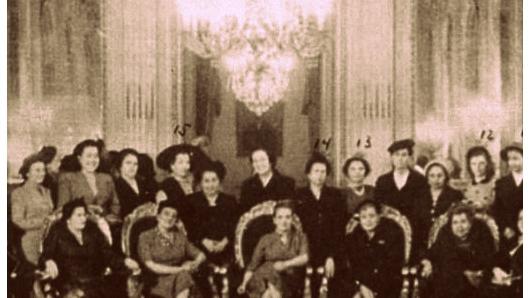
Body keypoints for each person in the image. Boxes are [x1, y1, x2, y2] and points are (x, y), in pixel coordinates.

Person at [40, 199, 140, 298]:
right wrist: (48, 261)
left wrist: (125, 261)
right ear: (68, 219)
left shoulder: (92, 229)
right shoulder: (58, 231)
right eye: (79, 215)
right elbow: (45, 254)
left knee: (118, 285)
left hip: (94, 279)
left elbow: (108, 254)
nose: (83, 219)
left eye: (84, 215)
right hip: (69, 281)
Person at [296, 152, 346, 297]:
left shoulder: (335, 195)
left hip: (330, 249)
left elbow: (339, 228)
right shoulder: (299, 195)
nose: (320, 175)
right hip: (305, 249)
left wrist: (331, 256)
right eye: (316, 171)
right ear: (308, 174)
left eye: (323, 171)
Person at [420, 203, 496, 298]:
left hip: (474, 284)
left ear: (471, 222)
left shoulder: (482, 232)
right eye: (455, 222)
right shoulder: (445, 234)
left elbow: (486, 261)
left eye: (463, 221)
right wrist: (427, 262)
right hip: (448, 283)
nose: (459, 227)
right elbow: (431, 253)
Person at [187, 161, 239, 297]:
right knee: (204, 277)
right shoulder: (191, 201)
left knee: (231, 275)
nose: (210, 184)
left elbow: (235, 225)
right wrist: (204, 241)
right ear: (200, 183)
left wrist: (225, 242)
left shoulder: (230, 201)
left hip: (226, 247)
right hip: (201, 248)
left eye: (214, 180)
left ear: (219, 181)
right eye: (206, 181)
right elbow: (189, 228)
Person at [237, 202, 309, 298]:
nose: (284, 221)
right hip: (263, 277)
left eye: (287, 217)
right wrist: (244, 283)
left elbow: (304, 257)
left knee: (270, 291)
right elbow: (253, 265)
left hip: (288, 277)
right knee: (271, 285)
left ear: (292, 219)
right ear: (274, 220)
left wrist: (285, 264)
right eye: (280, 217)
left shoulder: (300, 237)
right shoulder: (266, 239)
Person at [137, 200, 206, 298]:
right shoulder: (146, 236)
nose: (170, 218)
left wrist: (194, 264)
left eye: (174, 216)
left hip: (180, 277)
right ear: (158, 216)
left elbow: (201, 255)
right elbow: (151, 265)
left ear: (176, 221)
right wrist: (181, 269)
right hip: (156, 280)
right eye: (166, 214)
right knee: (184, 277)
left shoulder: (180, 237)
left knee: (184, 277)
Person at [374, 139, 428, 259]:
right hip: (388, 232)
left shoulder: (419, 180)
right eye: (396, 155)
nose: (400, 158)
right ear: (392, 158)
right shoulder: (383, 181)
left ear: (409, 157)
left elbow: (423, 210)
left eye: (404, 155)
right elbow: (379, 207)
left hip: (414, 231)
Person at [346, 200, 404, 298]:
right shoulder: (353, 238)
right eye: (363, 217)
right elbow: (353, 267)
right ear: (359, 219)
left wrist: (372, 288)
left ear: (378, 217)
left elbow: (391, 267)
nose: (368, 220)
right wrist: (360, 286)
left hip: (386, 286)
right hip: (361, 286)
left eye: (372, 216)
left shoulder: (391, 235)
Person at [57, 139, 121, 223]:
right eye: (89, 156)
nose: (93, 160)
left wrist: (108, 216)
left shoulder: (106, 178)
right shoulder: (68, 178)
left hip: (105, 225)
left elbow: (115, 205)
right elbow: (62, 208)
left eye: (96, 156)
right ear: (79, 158)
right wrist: (86, 208)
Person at [11, 154, 54, 266]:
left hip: (49, 238)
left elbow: (49, 212)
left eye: (43, 170)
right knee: (36, 273)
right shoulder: (19, 193)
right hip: (31, 240)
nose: (42, 173)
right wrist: (43, 222)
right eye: (37, 170)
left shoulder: (46, 191)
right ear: (27, 173)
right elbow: (17, 220)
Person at [416, 160, 464, 248]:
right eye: (432, 176)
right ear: (427, 177)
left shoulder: (455, 195)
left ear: (446, 177)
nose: (436, 179)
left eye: (440, 175)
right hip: (422, 241)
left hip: (447, 242)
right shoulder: (420, 195)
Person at [240, 147, 296, 214]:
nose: (259, 164)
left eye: (262, 160)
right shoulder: (247, 185)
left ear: (271, 162)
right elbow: (244, 211)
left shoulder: (286, 182)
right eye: (255, 161)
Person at [156, 145, 196, 230]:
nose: (185, 166)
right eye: (180, 162)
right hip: (176, 229)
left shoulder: (190, 184)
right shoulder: (167, 185)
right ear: (172, 166)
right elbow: (163, 216)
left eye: (187, 162)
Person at [493, 142, 522, 242]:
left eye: (516, 158)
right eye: (509, 159)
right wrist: (504, 228)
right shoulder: (501, 183)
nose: (512, 162)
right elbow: (497, 209)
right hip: (508, 233)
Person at [490, 209, 522, 297]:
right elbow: (496, 259)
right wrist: (495, 269)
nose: (523, 222)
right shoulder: (512, 241)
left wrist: (511, 279)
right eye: (520, 218)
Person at [114, 149, 155, 218]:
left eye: (135, 164)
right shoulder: (116, 185)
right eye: (128, 163)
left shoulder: (144, 183)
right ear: (120, 165)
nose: (132, 167)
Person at [463, 146, 496, 212]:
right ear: (469, 165)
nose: (477, 168)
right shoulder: (466, 187)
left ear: (487, 164)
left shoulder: (494, 186)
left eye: (481, 163)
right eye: (473, 164)